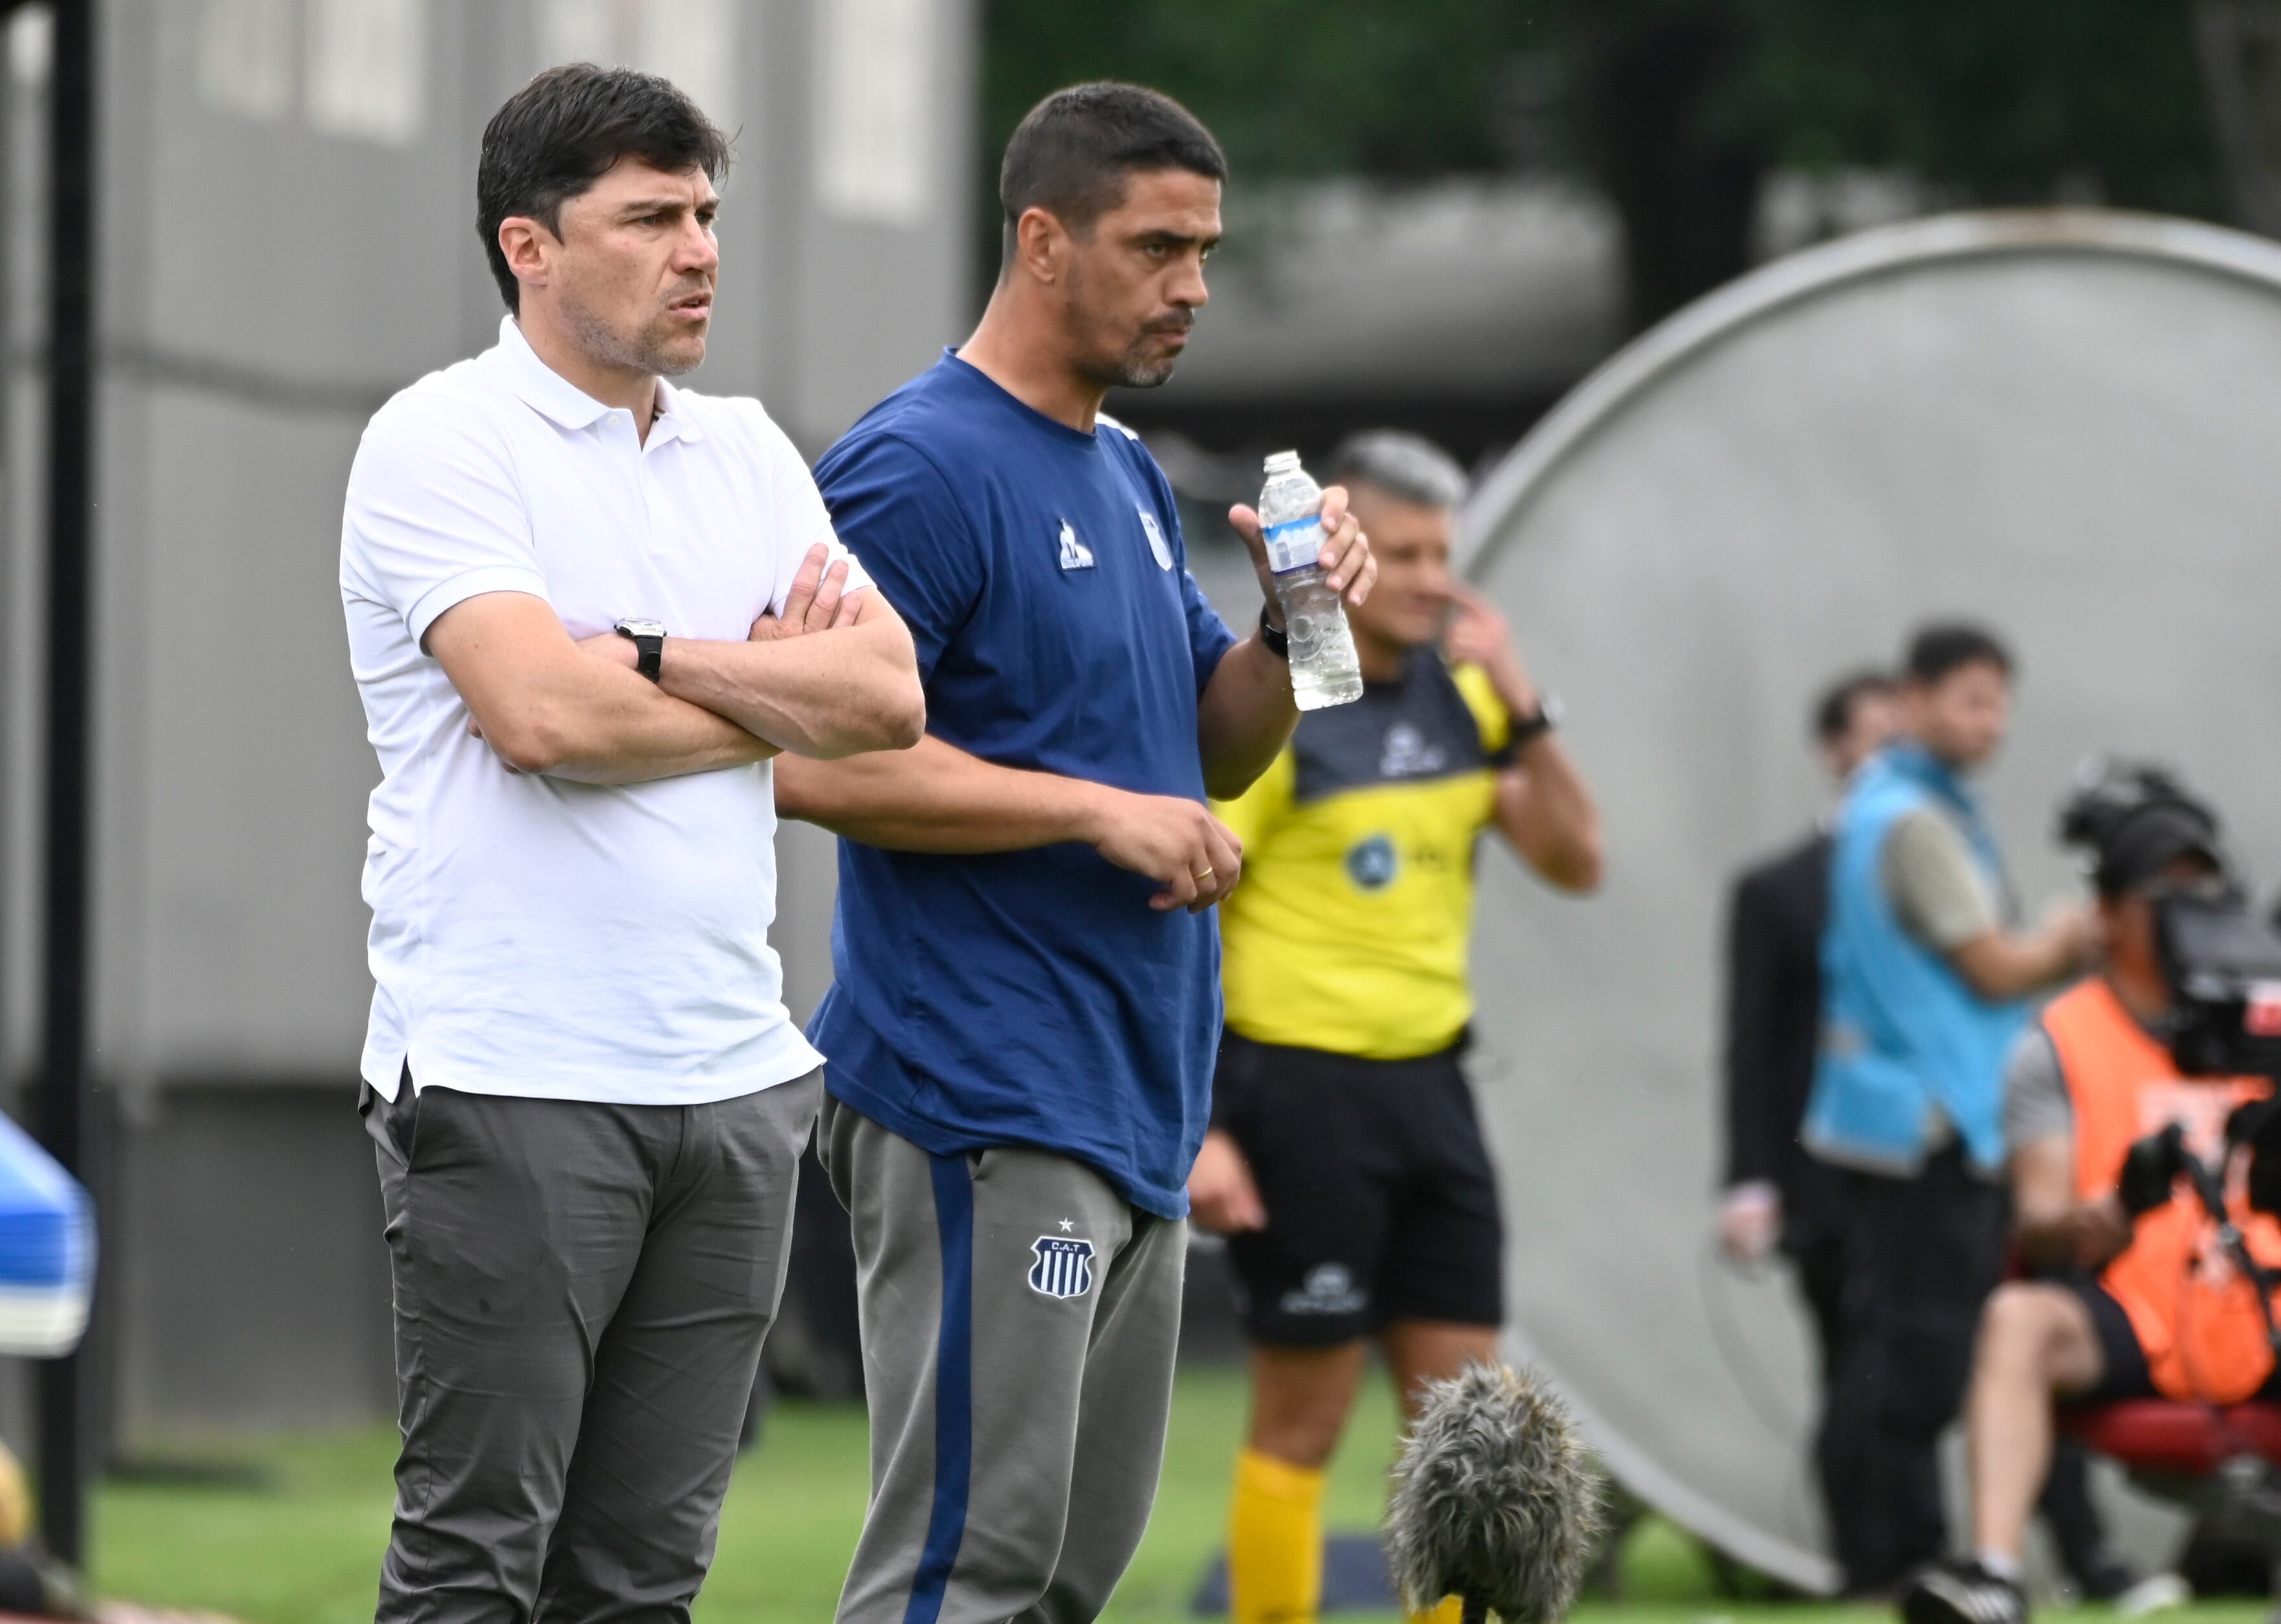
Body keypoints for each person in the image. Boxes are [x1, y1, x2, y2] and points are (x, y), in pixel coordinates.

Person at [772, 84, 1377, 1624]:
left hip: (1134, 1096)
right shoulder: (918, 464)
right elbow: (808, 760)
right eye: (1158, 245)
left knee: (1058, 1583)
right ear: (1043, 242)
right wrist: (1089, 811)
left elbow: (1215, 747)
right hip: (982, 1088)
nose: (1193, 286)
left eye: (1206, 250)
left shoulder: (1119, 470)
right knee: (962, 1570)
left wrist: (1293, 625)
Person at [337, 66, 924, 1621]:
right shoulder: (440, 440)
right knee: (478, 1558)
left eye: (709, 215)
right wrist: (763, 688)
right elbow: (537, 717)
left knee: (645, 1581)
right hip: (513, 1072)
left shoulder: (748, 451)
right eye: (651, 218)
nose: (700, 251)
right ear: (530, 247)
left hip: (731, 1086)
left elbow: (886, 698)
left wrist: (658, 656)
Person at [1185, 429, 1604, 1624]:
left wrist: (1524, 706)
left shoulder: (1467, 696)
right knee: (1303, 1419)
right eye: (1405, 551)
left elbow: (1578, 858)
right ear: (1348, 548)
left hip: (1434, 1090)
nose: (1429, 576)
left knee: (1464, 1433)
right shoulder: (1284, 708)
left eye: (1443, 554)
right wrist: (1206, 1126)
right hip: (1298, 1093)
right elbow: (1191, 922)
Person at [1904, 770, 2265, 1624]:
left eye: (2199, 889)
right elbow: (2042, 1225)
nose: (2186, 910)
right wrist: (2122, 1205)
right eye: (2161, 893)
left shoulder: (2262, 1020)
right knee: (2017, 1320)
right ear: (2106, 914)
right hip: (2138, 1305)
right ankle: (1992, 1577)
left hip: (2258, 1297)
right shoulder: (2059, 1041)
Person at [1802, 622, 2098, 1596]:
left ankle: (1901, 1559)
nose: (1992, 723)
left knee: (1897, 1348)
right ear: (1912, 698)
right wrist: (2066, 939)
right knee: (1918, 1360)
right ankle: (1893, 1558)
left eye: (2000, 701)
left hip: (1904, 1121)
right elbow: (1992, 966)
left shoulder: (1897, 804)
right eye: (1972, 699)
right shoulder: (1910, 820)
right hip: (1923, 1124)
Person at [1719, 670, 1897, 1359]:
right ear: (1834, 749)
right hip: (1821, 1177)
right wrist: (1751, 1180)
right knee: (1853, 1362)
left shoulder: (1951, 877)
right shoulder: (1777, 889)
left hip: (1924, 1176)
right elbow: (1752, 1042)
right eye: (1879, 739)